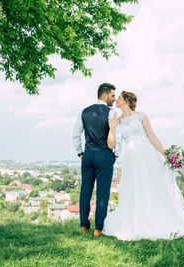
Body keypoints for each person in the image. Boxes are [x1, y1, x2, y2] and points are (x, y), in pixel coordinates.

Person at [102, 91, 184, 241]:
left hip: (147, 153)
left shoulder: (141, 116)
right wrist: (112, 127)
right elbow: (112, 142)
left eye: (120, 97)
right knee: (134, 186)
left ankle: (158, 215)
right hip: (131, 156)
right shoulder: (118, 120)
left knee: (152, 183)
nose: (117, 100)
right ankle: (137, 217)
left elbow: (152, 136)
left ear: (127, 100)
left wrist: (166, 155)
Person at [72, 83, 121, 237]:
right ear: (104, 95)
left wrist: (80, 152)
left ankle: (84, 226)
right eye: (113, 96)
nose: (114, 99)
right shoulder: (111, 113)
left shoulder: (84, 111)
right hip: (104, 155)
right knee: (102, 193)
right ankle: (98, 228)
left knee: (85, 191)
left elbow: (76, 134)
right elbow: (117, 138)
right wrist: (115, 155)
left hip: (88, 155)